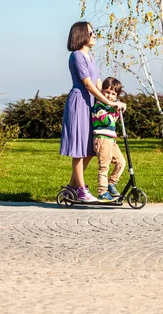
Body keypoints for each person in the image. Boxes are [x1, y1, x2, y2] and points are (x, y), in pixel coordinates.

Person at [60, 21, 126, 202]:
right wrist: (108, 103)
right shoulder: (77, 56)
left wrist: (113, 101)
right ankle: (81, 189)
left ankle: (71, 189)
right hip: (79, 102)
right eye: (91, 32)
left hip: (90, 103)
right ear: (82, 35)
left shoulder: (91, 58)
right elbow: (87, 84)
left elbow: (98, 84)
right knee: (79, 149)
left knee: (89, 149)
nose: (94, 35)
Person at [91, 77, 126, 201]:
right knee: (104, 166)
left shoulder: (110, 106)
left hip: (111, 140)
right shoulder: (99, 106)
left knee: (121, 162)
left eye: (113, 94)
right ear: (102, 92)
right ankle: (102, 191)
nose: (110, 96)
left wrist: (117, 106)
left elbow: (115, 117)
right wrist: (115, 108)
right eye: (107, 92)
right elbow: (106, 121)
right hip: (102, 139)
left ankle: (112, 183)